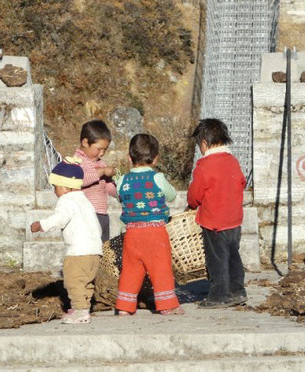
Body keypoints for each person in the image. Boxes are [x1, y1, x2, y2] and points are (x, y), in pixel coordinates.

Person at [115, 134, 184, 316]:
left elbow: (120, 196)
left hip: (131, 233)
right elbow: (171, 195)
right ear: (155, 159)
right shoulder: (157, 178)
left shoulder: (122, 180)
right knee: (160, 268)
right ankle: (167, 305)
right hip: (155, 232)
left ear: (130, 158)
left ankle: (124, 306)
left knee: (131, 269)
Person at [30, 157, 102, 324]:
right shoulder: (85, 200)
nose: (55, 191)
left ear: (64, 186)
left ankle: (80, 312)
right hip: (94, 251)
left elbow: (60, 218)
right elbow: (96, 224)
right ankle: (83, 305)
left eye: (55, 187)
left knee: (73, 280)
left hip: (78, 251)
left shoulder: (66, 200)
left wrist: (42, 224)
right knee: (87, 281)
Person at [187, 118, 247, 309]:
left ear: (204, 143)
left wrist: (192, 204)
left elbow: (195, 194)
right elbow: (241, 183)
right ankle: (237, 290)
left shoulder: (205, 166)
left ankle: (219, 294)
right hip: (234, 219)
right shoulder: (233, 161)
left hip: (213, 220)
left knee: (217, 259)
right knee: (233, 255)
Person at [74, 120, 117, 242]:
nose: (102, 153)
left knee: (102, 251)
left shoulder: (100, 163)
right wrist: (102, 172)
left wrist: (120, 192)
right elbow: (79, 180)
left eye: (105, 149)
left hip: (102, 214)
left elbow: (107, 187)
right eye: (99, 149)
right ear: (85, 142)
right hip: (86, 215)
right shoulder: (76, 161)